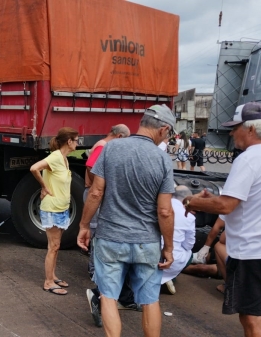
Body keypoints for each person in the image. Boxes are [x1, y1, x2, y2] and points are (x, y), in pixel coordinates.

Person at [183, 102, 261, 337]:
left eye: (235, 127)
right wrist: (213, 199)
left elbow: (226, 206)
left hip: (254, 251)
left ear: (251, 129)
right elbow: (251, 199)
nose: (231, 133)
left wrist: (191, 201)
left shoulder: (248, 159)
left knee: (250, 315)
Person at [77, 104, 176, 337]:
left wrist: (83, 226)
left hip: (110, 237)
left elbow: (95, 192)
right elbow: (164, 211)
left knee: (109, 297)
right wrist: (169, 247)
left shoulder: (112, 149)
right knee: (150, 300)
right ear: (162, 129)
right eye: (169, 132)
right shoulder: (162, 160)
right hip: (147, 241)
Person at [82, 125, 139, 327]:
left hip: (99, 196)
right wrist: (95, 184)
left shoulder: (106, 146)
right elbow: (91, 166)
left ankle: (121, 295)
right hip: (95, 196)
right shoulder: (103, 146)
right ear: (119, 136)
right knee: (98, 235)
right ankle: (96, 279)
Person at [30, 127, 79, 296]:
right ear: (69, 141)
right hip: (52, 209)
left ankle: (53, 276)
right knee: (54, 246)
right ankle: (48, 282)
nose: (78, 143)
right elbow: (34, 168)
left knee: (56, 247)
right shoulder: (56, 156)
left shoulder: (64, 159)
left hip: (62, 208)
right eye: (76, 140)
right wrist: (43, 186)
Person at [161, 186, 196, 295]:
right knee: (189, 253)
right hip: (171, 260)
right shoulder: (189, 216)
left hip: (149, 254)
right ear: (188, 199)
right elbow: (189, 245)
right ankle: (169, 278)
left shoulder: (159, 206)